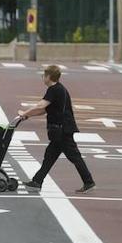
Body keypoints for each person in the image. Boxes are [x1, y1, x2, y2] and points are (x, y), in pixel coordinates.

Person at [17, 65, 95, 193]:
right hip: (60, 130)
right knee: (50, 157)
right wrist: (27, 116)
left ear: (48, 77)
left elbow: (41, 105)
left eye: (44, 75)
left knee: (74, 156)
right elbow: (44, 110)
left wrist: (25, 113)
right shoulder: (58, 89)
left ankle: (89, 182)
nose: (42, 77)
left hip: (62, 130)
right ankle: (37, 181)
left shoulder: (54, 89)